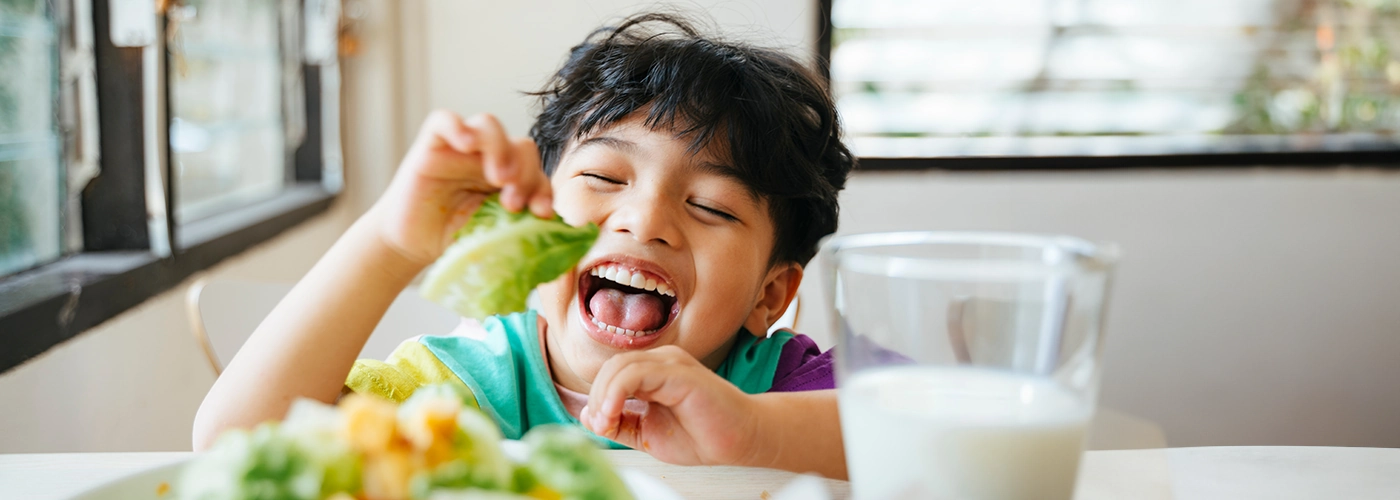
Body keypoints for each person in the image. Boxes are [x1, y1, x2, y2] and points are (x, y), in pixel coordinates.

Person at [193, 12, 854, 479]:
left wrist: (752, 431)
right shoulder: (461, 393)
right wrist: (388, 246)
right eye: (603, 176)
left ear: (771, 294)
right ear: (535, 211)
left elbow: (934, 442)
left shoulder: (781, 390)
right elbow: (234, 446)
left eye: (710, 206)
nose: (643, 220)